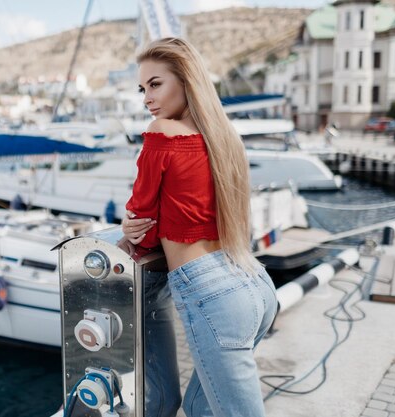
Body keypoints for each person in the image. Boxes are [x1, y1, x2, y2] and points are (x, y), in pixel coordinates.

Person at [119, 38, 278, 417]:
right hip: (253, 283)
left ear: (186, 81)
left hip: (211, 293)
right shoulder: (223, 138)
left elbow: (142, 218)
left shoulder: (161, 132)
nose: (147, 98)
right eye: (142, 88)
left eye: (155, 84)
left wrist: (128, 224)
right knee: (200, 406)